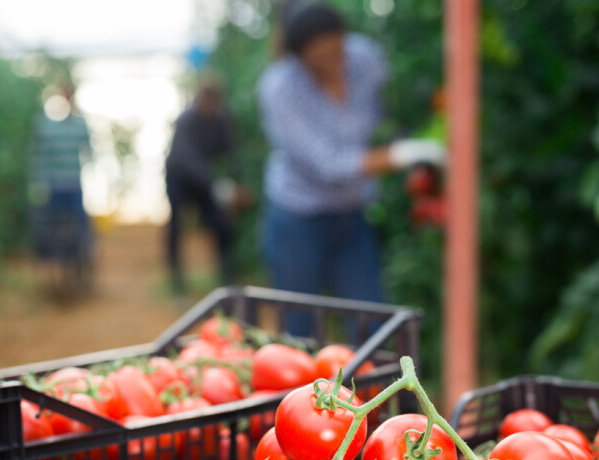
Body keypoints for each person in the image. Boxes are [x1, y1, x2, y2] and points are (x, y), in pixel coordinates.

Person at [257, 1, 445, 340]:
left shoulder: (365, 58)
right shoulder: (280, 88)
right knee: (298, 326)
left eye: (337, 49)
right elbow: (327, 164)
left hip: (351, 215)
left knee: (370, 319)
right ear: (300, 58)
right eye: (320, 57)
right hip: (298, 219)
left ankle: (371, 390)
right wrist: (400, 155)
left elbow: (392, 108)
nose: (334, 62)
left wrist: (415, 140)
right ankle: (298, 390)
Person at [164, 79, 236, 295]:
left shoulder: (222, 119)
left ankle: (226, 278)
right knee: (176, 227)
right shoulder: (186, 121)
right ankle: (177, 279)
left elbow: (231, 152)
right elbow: (188, 159)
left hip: (205, 182)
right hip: (179, 178)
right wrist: (217, 185)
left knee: (221, 224)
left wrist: (232, 184)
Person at [29, 82, 94, 295]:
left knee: (81, 230)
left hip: (73, 185)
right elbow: (39, 157)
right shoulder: (46, 126)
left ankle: (82, 265)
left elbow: (89, 153)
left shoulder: (80, 125)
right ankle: (52, 268)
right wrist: (40, 182)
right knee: (51, 230)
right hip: (55, 186)